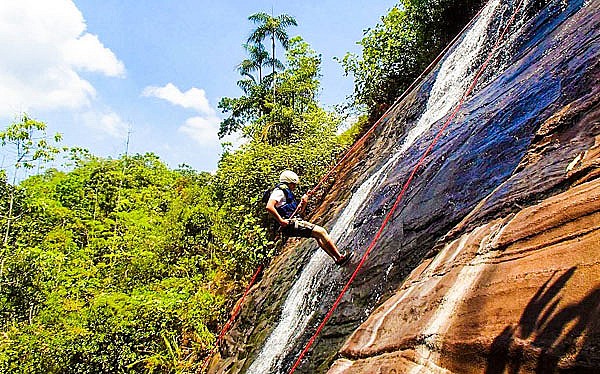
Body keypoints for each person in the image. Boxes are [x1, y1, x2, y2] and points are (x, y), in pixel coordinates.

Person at [265, 170, 352, 266]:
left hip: (292, 222)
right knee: (322, 232)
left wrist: (304, 202)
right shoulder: (279, 192)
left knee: (318, 236)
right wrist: (281, 221)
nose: (294, 187)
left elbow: (299, 213)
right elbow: (269, 206)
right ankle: (340, 257)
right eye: (293, 184)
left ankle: (337, 259)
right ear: (288, 183)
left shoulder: (285, 194)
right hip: (290, 224)